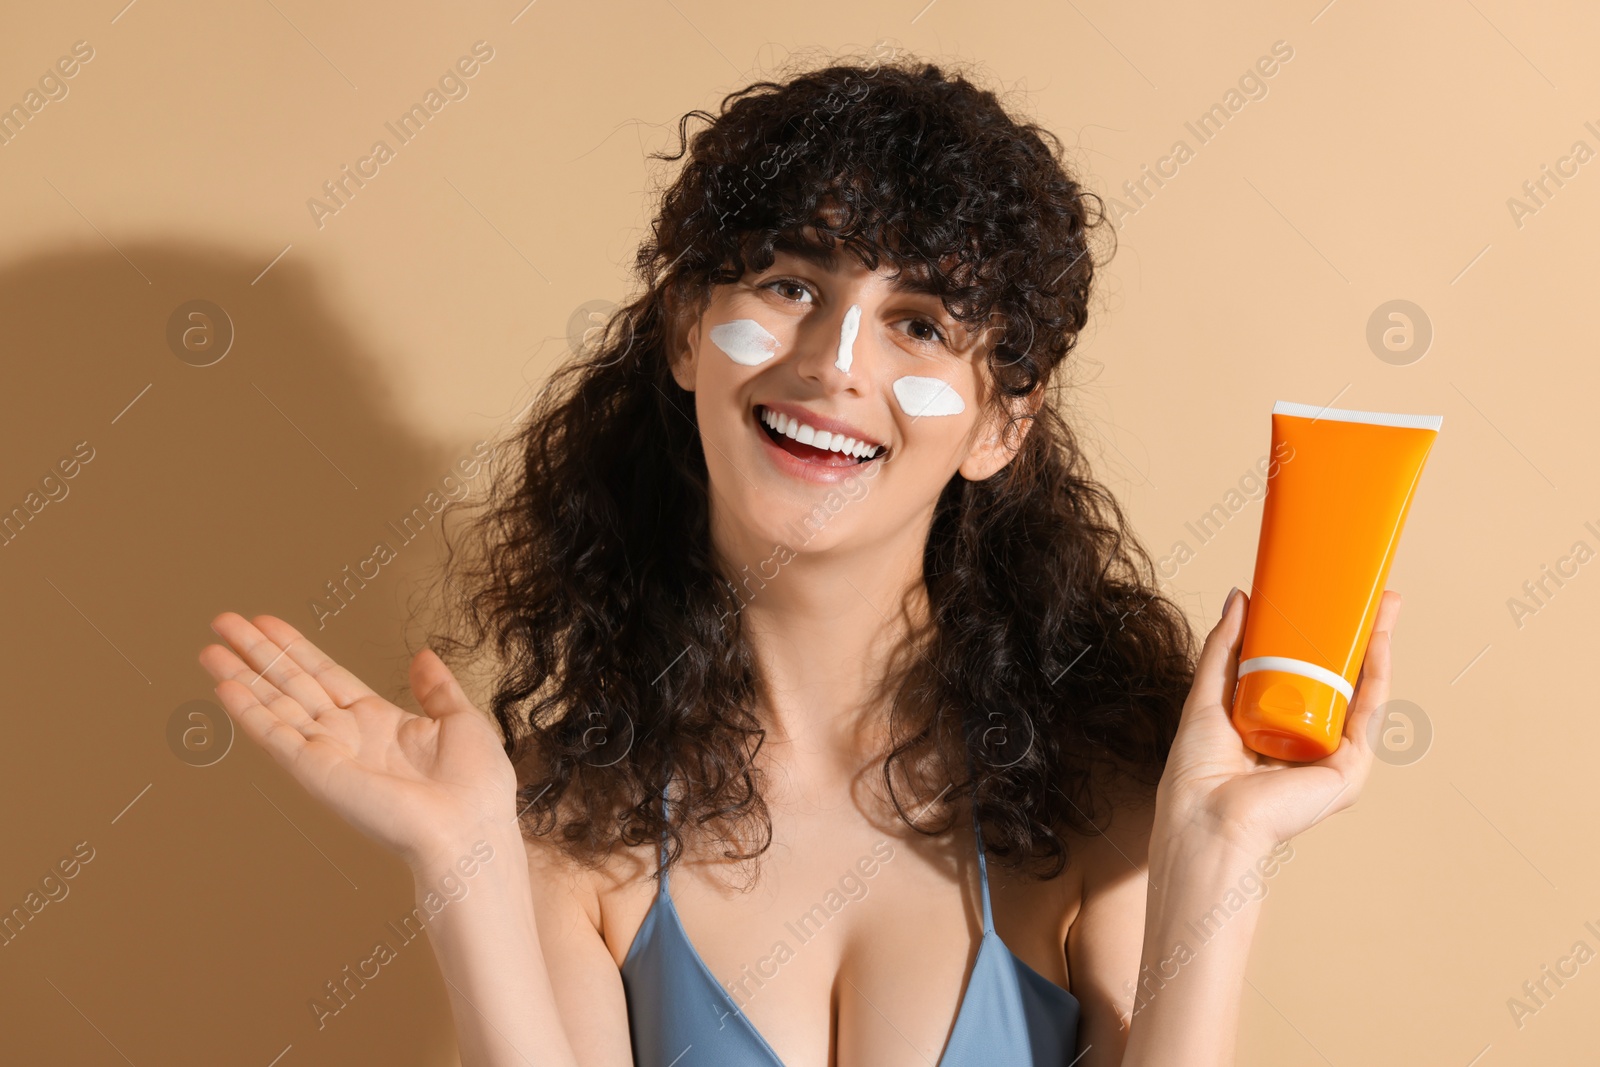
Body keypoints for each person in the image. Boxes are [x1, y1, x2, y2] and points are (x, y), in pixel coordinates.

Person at [199, 51, 1401, 1067]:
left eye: (919, 323)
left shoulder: (1106, 806)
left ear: (1000, 425)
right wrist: (464, 867)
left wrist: (1220, 857)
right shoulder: (563, 828)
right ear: (682, 332)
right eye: (789, 284)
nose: (835, 360)